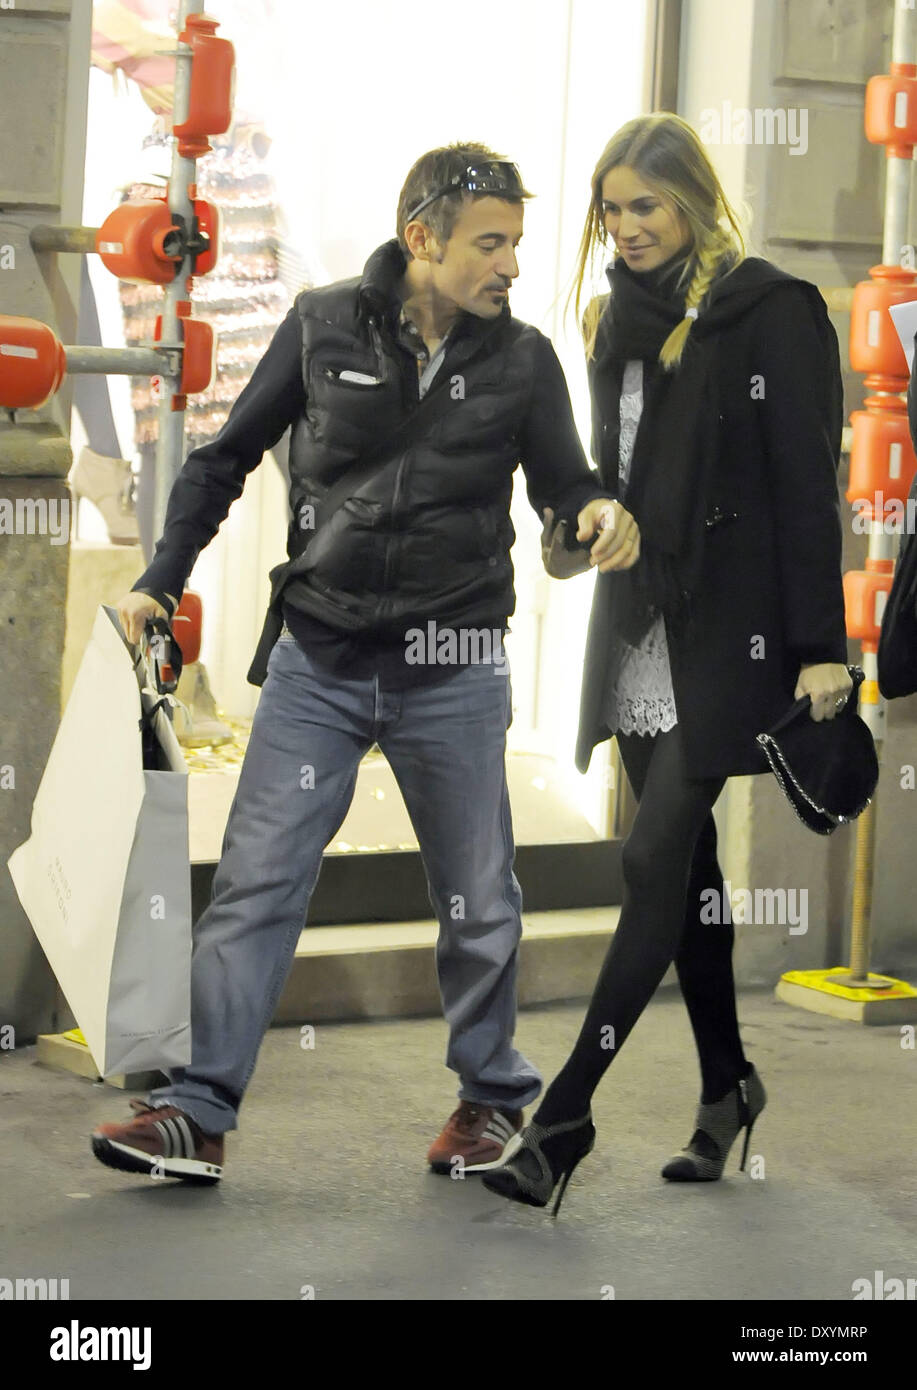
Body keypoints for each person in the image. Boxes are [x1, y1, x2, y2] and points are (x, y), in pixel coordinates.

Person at [90, 141, 619, 1184]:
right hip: (320, 659)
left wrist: (592, 513)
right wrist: (160, 577)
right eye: (488, 242)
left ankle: (487, 1101)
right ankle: (197, 1111)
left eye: (515, 241)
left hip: (456, 660)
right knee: (257, 883)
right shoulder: (324, 322)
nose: (509, 263)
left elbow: (565, 487)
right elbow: (224, 456)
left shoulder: (522, 363)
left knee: (478, 898)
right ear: (421, 237)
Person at [483, 113, 854, 1216]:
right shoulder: (611, 319)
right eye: (610, 209)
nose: (625, 226)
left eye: (644, 205)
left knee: (649, 858)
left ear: (693, 200)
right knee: (681, 868)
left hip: (731, 622)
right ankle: (725, 1085)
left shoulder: (771, 313)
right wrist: (577, 518)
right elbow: (609, 466)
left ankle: (562, 1121)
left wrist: (820, 647)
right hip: (638, 614)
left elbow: (802, 486)